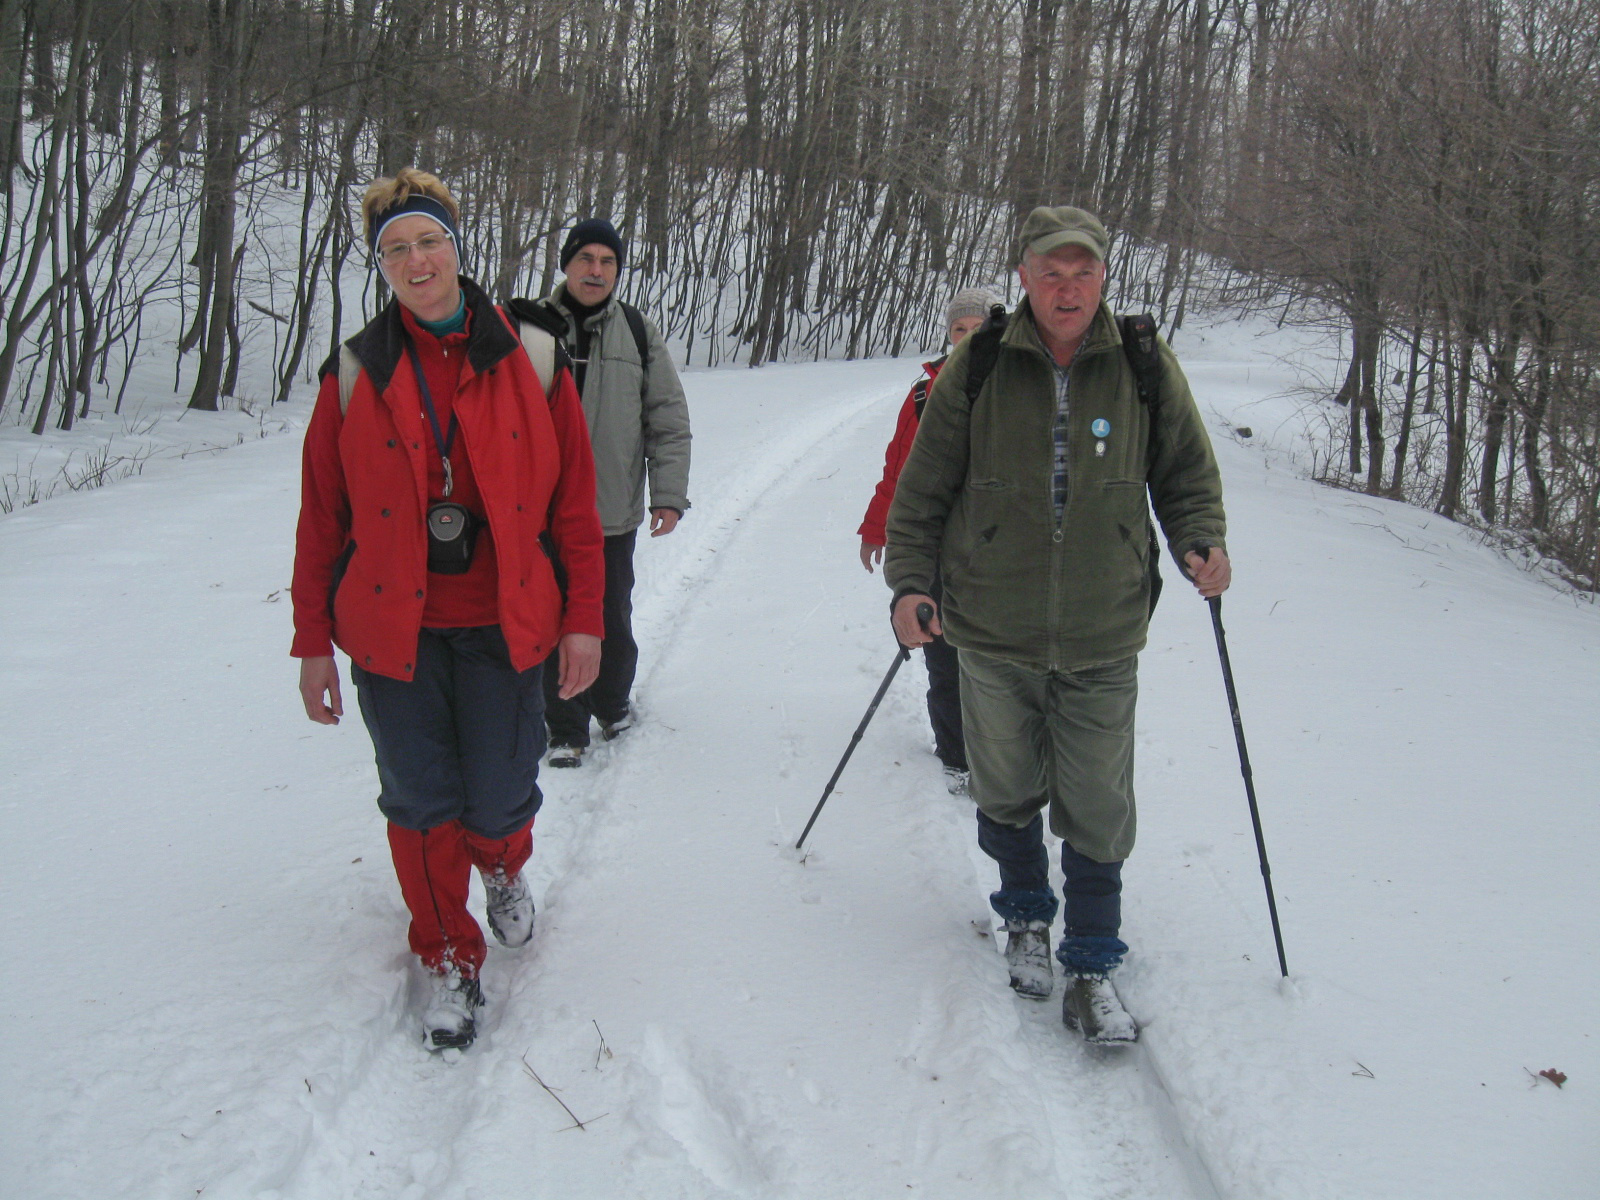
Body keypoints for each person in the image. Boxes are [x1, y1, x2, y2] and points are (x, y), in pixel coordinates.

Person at [884, 206, 1230, 1044]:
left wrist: (1201, 540)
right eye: (1051, 272)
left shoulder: (1142, 362)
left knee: (1099, 799)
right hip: (991, 626)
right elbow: (923, 489)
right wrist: (907, 584)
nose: (1066, 288)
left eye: (1082, 273)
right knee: (1003, 784)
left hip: (1103, 626)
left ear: (1103, 277)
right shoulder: (979, 365)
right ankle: (1028, 917)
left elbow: (1184, 469)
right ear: (1025, 276)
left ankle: (1093, 958)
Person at [291, 169, 606, 1051]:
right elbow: (322, 515)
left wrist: (586, 618)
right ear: (380, 267)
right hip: (394, 632)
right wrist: (311, 641)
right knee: (420, 800)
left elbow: (575, 506)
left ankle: (504, 869)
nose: (415, 261)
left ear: (457, 249)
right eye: (396, 250)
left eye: (428, 242)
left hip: (505, 623)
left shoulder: (532, 356)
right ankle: (446, 955)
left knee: (500, 796)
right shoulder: (354, 372)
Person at [528, 218, 691, 767]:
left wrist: (668, 495)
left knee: (609, 618)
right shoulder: (529, 329)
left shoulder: (639, 333)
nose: (596, 271)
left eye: (608, 262)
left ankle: (612, 702)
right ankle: (565, 729)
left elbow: (666, 419)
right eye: (586, 259)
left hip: (608, 513)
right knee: (548, 622)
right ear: (567, 264)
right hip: (536, 516)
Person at [858, 287, 1000, 794]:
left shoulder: (1016, 386)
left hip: (996, 550)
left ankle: (1007, 754)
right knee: (944, 656)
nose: (965, 339)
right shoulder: (923, 394)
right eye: (958, 330)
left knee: (997, 661)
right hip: (934, 545)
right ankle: (958, 757)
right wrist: (878, 528)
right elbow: (898, 469)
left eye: (976, 330)